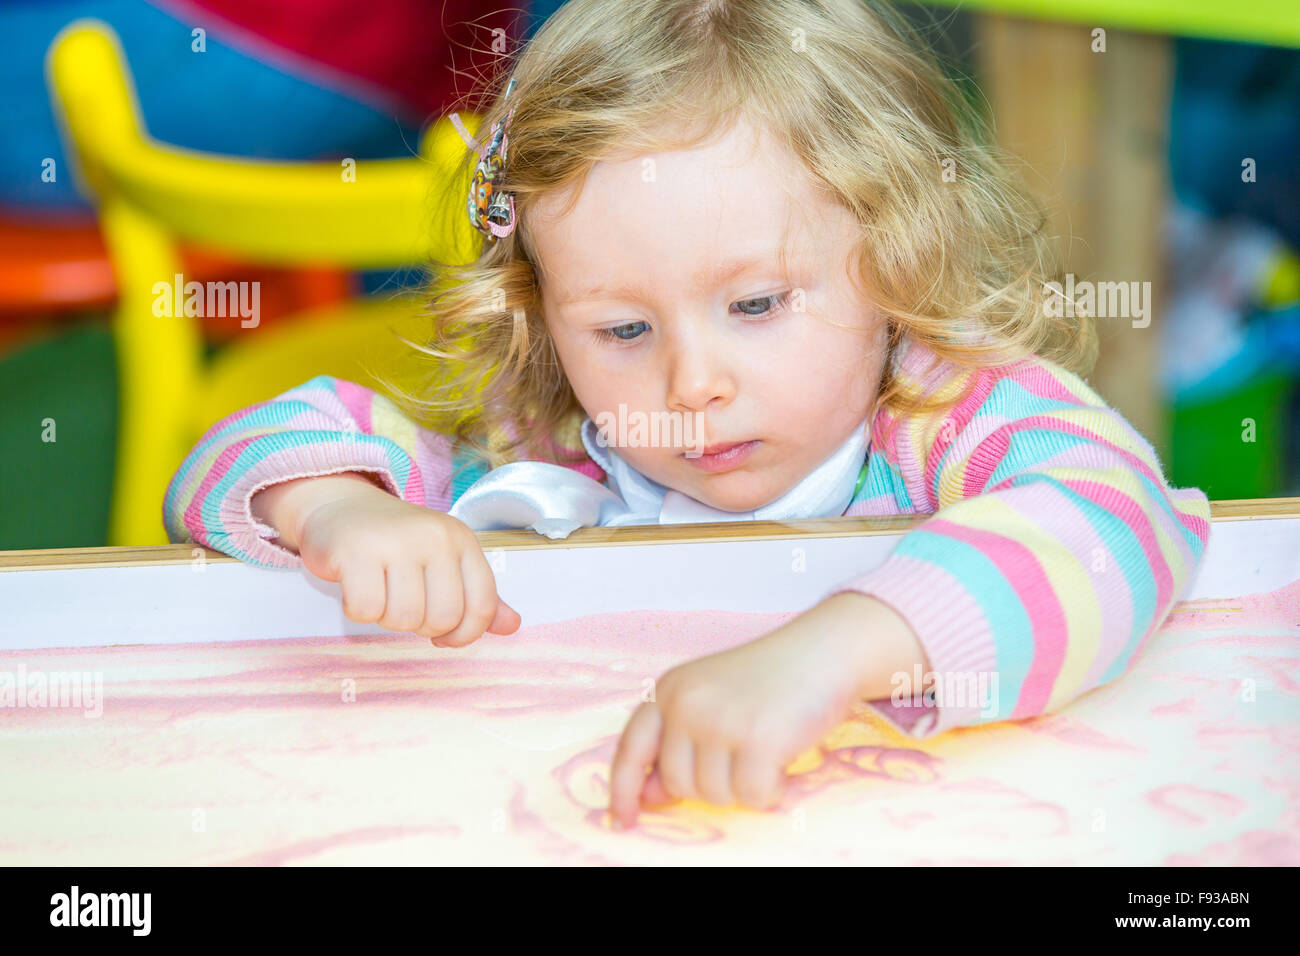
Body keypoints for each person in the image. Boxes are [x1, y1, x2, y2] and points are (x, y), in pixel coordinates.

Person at [164, 0, 1212, 830]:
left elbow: (1122, 519)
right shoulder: (560, 453)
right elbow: (234, 459)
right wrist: (345, 512)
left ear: (896, 254)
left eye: (755, 304)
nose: (689, 383)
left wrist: (837, 650)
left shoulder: (954, 411)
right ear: (543, 314)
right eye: (622, 328)